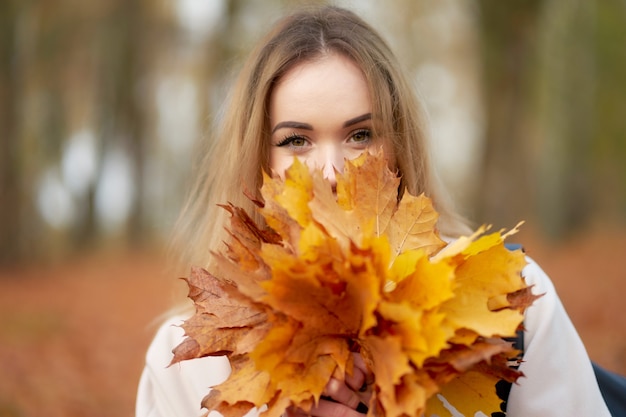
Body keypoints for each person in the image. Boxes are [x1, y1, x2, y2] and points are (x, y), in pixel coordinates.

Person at [136, 5, 611, 417]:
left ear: (400, 149)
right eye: (295, 141)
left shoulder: (503, 295)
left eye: (361, 135)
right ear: (258, 161)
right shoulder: (193, 356)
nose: (331, 171)